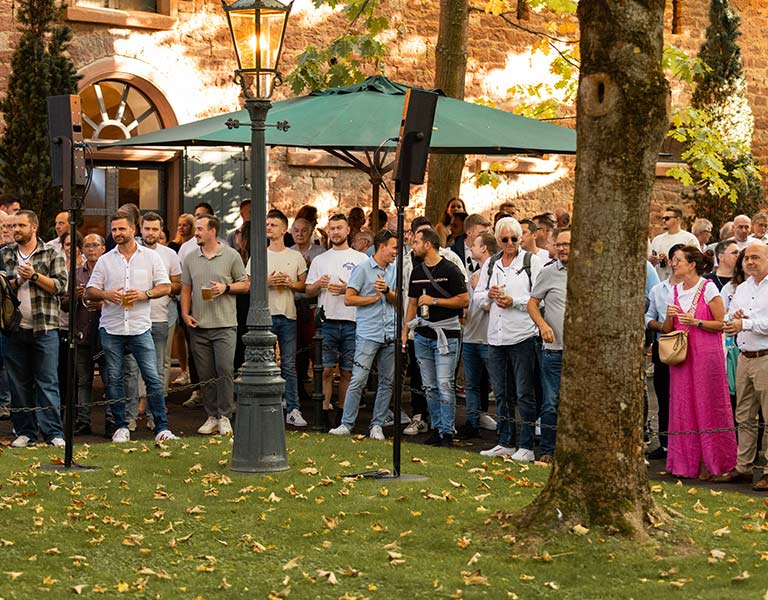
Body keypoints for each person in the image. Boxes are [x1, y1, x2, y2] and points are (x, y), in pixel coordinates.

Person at [86, 212, 178, 443]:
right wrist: (107, 294)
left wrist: (144, 294)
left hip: (140, 327)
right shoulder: (106, 260)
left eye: (121, 229)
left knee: (152, 378)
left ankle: (162, 427)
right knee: (115, 379)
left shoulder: (150, 257)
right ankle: (121, 426)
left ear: (133, 229)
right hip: (112, 327)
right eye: (114, 230)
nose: (117, 233)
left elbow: (166, 286)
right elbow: (90, 290)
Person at [662, 245, 736, 479]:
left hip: (705, 355)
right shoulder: (674, 290)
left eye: (679, 260)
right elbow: (667, 329)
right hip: (683, 357)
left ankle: (713, 460)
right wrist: (669, 317)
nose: (674, 264)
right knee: (683, 405)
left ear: (692, 264)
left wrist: (696, 322)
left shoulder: (708, 287)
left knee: (708, 403)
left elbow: (720, 323)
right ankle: (685, 462)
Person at [476, 217, 543, 460]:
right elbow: (478, 297)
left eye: (514, 239)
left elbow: (539, 297)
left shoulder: (531, 262)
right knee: (502, 393)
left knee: (525, 392)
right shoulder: (491, 264)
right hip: (496, 336)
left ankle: (526, 444)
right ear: (498, 240)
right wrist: (490, 296)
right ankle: (505, 440)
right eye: (504, 239)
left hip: (522, 335)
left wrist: (514, 302)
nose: (510, 243)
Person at [1, 210, 68, 448]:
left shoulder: (51, 252)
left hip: (46, 328)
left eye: (20, 225)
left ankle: (53, 432)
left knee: (47, 381)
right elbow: (2, 287)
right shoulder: (5, 253)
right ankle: (25, 431)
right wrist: (18, 280)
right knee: (18, 383)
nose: (15, 229)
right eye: (13, 226)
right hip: (14, 328)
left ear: (34, 227)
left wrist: (35, 275)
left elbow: (61, 286)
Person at [181, 214, 249, 436]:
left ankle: (225, 416)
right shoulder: (190, 257)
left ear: (212, 231)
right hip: (198, 325)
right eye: (196, 229)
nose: (196, 232)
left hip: (225, 324)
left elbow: (245, 284)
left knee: (225, 370)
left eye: (200, 229)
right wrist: (184, 313)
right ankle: (211, 416)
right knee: (205, 374)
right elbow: (185, 288)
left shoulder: (231, 255)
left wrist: (226, 288)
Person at [329, 229, 398, 439]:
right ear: (382, 246)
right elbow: (349, 298)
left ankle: (377, 424)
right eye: (394, 247)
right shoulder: (363, 268)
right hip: (368, 332)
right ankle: (346, 424)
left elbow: (400, 302)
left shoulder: (395, 270)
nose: (396, 252)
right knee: (358, 379)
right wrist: (372, 299)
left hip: (390, 332)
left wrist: (386, 292)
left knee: (387, 381)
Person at [404, 227, 469, 446]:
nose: (413, 247)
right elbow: (412, 303)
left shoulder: (450, 270)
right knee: (429, 385)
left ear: (427, 245)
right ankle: (437, 427)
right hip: (423, 334)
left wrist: (435, 301)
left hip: (446, 333)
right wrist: (406, 331)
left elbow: (463, 300)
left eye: (416, 243)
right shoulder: (417, 271)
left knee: (444, 383)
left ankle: (447, 431)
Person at [714, 243, 768, 490]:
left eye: (755, 257)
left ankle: (767, 470)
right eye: (747, 257)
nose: (749, 262)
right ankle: (744, 467)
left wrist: (745, 325)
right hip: (745, 356)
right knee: (744, 414)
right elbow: (731, 315)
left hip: (766, 357)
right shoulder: (743, 288)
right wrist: (732, 320)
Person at [305, 214, 367, 412]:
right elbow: (308, 291)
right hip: (327, 321)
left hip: (354, 321)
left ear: (348, 230)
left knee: (349, 372)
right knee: (325, 371)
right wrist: (317, 284)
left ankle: (344, 415)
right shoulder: (320, 259)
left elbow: (370, 290)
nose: (336, 232)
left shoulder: (362, 259)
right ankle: (322, 413)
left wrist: (347, 289)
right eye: (332, 228)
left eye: (339, 228)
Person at [527, 227, 570, 463]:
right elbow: (532, 304)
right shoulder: (548, 273)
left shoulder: (589, 272)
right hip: (553, 351)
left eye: (568, 244)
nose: (563, 249)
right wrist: (543, 326)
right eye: (560, 244)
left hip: (582, 354)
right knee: (551, 403)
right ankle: (548, 451)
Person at [265, 209, 308, 427]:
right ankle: (270, 406)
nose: (269, 228)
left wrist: (290, 283)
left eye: (273, 224)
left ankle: (293, 408)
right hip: (266, 316)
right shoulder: (260, 254)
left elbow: (304, 285)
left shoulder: (295, 256)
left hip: (289, 314)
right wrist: (269, 282)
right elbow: (249, 284)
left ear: (284, 229)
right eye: (267, 224)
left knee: (289, 364)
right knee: (268, 364)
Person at [138, 213, 182, 417]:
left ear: (161, 231)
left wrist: (158, 288)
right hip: (136, 315)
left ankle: (158, 402)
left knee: (161, 361)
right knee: (136, 362)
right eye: (147, 228)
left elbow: (178, 285)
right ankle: (142, 399)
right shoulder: (133, 252)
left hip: (161, 314)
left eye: (155, 229)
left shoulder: (169, 254)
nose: (150, 233)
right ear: (140, 228)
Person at [645, 243, 686, 460]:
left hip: (690, 350)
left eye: (682, 260)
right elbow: (649, 316)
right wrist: (661, 326)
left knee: (686, 397)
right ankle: (666, 444)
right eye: (675, 260)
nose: (677, 264)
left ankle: (687, 443)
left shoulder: (702, 287)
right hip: (666, 348)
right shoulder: (658, 290)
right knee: (664, 396)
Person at [456, 230, 498, 439]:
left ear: (484, 248)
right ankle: (472, 422)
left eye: (474, 244)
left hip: (488, 337)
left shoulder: (495, 272)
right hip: (471, 334)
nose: (470, 247)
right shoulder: (473, 273)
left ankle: (505, 425)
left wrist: (478, 289)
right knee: (471, 383)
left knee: (498, 383)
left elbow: (491, 305)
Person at [71, 234, 106, 435]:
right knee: (83, 380)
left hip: (105, 332)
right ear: (82, 250)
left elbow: (119, 298)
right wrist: (75, 297)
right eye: (87, 245)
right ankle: (83, 421)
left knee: (109, 378)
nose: (91, 249)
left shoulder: (111, 270)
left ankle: (112, 421)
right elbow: (65, 305)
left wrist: (102, 302)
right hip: (82, 332)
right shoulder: (76, 273)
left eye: (95, 245)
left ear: (103, 248)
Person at [650, 206, 698, 279]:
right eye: (662, 218)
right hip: (660, 282)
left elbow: (696, 262)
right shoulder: (657, 239)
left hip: (681, 283)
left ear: (678, 220)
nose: (663, 221)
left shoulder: (689, 239)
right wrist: (653, 259)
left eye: (667, 218)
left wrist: (671, 261)